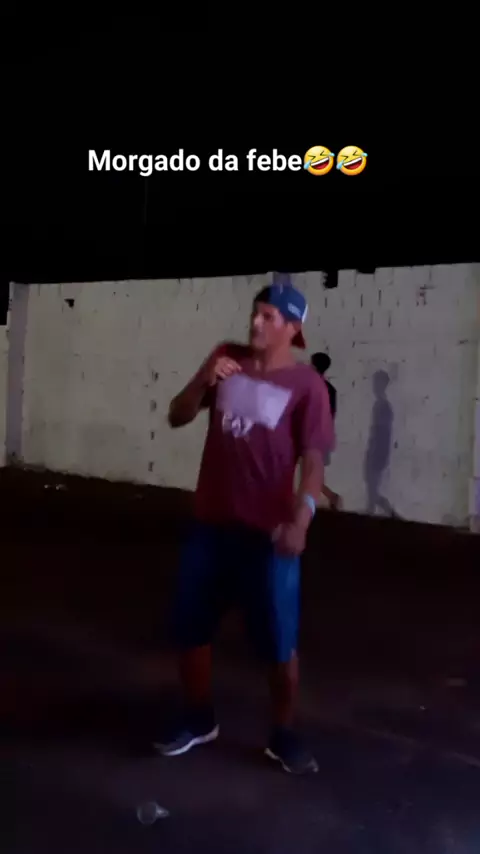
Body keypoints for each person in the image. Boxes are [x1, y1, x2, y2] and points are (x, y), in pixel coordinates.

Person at [155, 284, 334, 775]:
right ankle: (198, 718)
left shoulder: (307, 386)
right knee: (190, 627)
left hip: (267, 537)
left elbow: (314, 462)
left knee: (278, 642)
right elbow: (176, 415)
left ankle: (283, 732)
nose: (255, 323)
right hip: (210, 526)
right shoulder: (225, 357)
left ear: (292, 328)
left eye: (269, 317)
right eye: (255, 313)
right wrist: (204, 382)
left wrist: (302, 519)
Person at [311, 352, 343, 511]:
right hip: (322, 438)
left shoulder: (312, 388)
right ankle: (331, 498)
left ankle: (332, 498)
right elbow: (332, 415)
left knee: (308, 475)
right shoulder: (331, 390)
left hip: (311, 437)